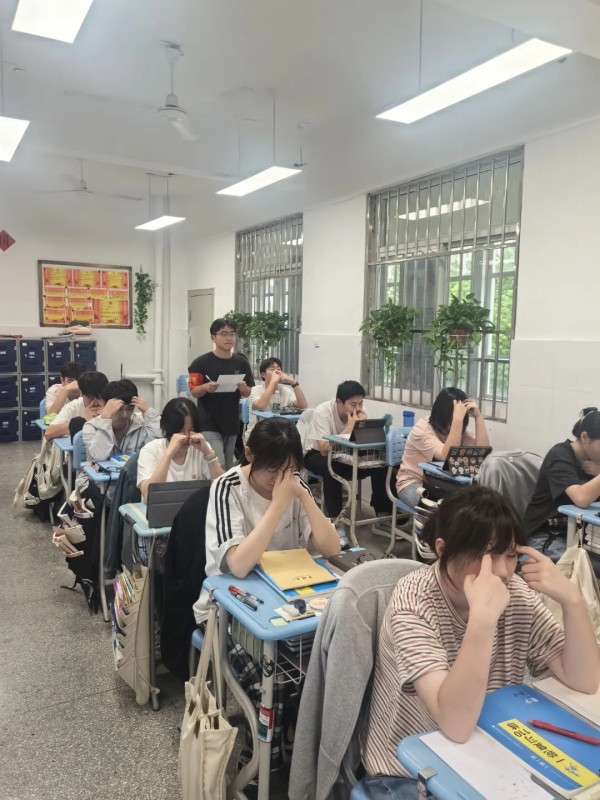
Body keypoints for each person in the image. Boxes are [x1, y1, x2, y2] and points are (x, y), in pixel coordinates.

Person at [360, 485, 600, 799]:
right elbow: (455, 725)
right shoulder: (413, 602)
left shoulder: (515, 593)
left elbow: (585, 679)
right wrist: (483, 620)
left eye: (510, 555)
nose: (500, 571)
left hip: (490, 750)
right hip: (409, 769)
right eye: (482, 555)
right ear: (443, 549)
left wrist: (572, 600)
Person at [193, 417, 340, 623]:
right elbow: (239, 566)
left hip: (283, 590)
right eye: (272, 468)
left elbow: (332, 549)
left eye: (289, 468)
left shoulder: (292, 483)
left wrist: (303, 494)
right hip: (230, 600)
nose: (280, 477)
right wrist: (278, 504)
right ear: (249, 454)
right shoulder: (227, 487)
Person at [303, 380, 391, 549]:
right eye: (352, 404)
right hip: (315, 455)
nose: (357, 408)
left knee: (381, 465)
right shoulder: (323, 411)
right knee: (331, 468)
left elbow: (364, 443)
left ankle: (382, 516)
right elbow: (323, 449)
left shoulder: (362, 412)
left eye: (360, 404)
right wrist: (350, 428)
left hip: (347, 456)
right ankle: (337, 524)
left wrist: (364, 428)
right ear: (339, 402)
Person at [524, 407, 600, 560]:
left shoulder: (596, 461)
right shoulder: (559, 455)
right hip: (546, 534)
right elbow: (580, 498)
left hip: (581, 535)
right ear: (584, 437)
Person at [395, 387, 490, 508]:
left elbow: (482, 453)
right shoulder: (422, 428)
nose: (456, 423)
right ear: (441, 415)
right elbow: (446, 455)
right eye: (453, 418)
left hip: (444, 484)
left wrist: (478, 417)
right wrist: (457, 420)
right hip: (413, 484)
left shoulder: (461, 430)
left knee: (477, 505)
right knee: (447, 510)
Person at [188, 318, 254, 470]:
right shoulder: (200, 363)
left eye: (232, 334)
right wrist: (205, 387)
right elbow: (194, 392)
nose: (229, 338)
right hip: (208, 422)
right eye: (224, 334)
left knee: (229, 466)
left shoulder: (242, 363)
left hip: (231, 421)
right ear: (213, 337)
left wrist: (244, 389)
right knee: (218, 464)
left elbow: (248, 392)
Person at [137, 397, 223, 501]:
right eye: (180, 431)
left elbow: (222, 489)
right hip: (161, 509)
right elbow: (149, 496)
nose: (187, 437)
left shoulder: (200, 448)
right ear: (167, 428)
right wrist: (169, 453)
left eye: (191, 430)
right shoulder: (150, 450)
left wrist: (208, 453)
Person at [82, 379, 161, 462]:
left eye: (130, 409)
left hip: (133, 470)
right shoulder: (91, 426)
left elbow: (155, 450)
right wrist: (104, 420)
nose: (124, 415)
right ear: (104, 404)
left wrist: (149, 413)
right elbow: (99, 457)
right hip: (99, 470)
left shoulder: (142, 422)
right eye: (119, 409)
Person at [245, 357, 308, 439]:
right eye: (272, 369)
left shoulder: (285, 390)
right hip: (259, 434)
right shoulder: (256, 389)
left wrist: (294, 383)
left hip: (281, 434)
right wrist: (273, 382)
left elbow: (303, 406)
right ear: (263, 375)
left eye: (278, 369)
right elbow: (260, 406)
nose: (276, 372)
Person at [44, 371, 108, 441]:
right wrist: (81, 421)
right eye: (90, 397)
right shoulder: (73, 406)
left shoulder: (110, 405)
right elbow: (48, 434)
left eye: (99, 397)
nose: (95, 403)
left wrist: (106, 417)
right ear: (81, 393)